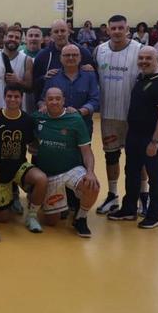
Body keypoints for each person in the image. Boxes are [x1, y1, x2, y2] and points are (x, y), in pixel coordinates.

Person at [93, 15, 143, 215]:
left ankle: (143, 196)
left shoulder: (139, 50)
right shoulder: (99, 51)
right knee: (111, 156)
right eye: (113, 28)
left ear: (127, 29)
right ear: (108, 30)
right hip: (109, 114)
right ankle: (113, 195)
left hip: (135, 115)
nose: (117, 31)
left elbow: (155, 70)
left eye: (121, 28)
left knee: (138, 158)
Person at [33, 88, 100, 238]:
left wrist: (90, 172)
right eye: (50, 99)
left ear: (64, 100)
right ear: (45, 101)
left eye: (58, 99)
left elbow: (86, 151)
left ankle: (81, 218)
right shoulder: (37, 117)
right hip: (48, 175)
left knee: (92, 185)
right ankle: (60, 205)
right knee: (51, 222)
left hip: (71, 169)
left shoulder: (75, 119)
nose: (54, 102)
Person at [0, 86, 46, 232]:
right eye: (9, 96)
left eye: (16, 96)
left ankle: (32, 216)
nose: (12, 99)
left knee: (41, 179)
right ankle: (2, 195)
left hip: (19, 167)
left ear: (21, 99)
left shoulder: (28, 120)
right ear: (4, 97)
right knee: (3, 219)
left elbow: (32, 145)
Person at [41, 44, 100, 134]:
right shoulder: (52, 76)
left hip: (83, 125)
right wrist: (43, 106)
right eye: (67, 55)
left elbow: (95, 100)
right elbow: (42, 100)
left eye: (75, 55)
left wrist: (79, 112)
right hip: (57, 126)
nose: (71, 58)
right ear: (60, 58)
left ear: (80, 57)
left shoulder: (90, 75)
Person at [33, 20, 95, 100]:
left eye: (63, 31)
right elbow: (34, 84)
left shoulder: (84, 53)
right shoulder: (42, 56)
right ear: (51, 35)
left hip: (80, 106)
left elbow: (94, 82)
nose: (60, 34)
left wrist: (91, 70)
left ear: (68, 32)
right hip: (53, 105)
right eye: (56, 31)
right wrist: (44, 78)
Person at [2, 25, 33, 113]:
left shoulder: (26, 60)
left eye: (17, 38)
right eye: (10, 36)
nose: (13, 39)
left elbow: (30, 87)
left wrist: (18, 80)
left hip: (18, 109)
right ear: (4, 37)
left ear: (20, 41)